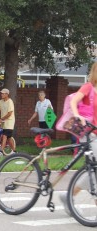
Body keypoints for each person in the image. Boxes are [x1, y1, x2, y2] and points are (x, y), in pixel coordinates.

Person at [59, 62, 97, 216]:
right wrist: (77, 115)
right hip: (88, 133)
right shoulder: (88, 87)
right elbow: (74, 102)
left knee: (92, 171)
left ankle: (68, 196)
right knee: (94, 170)